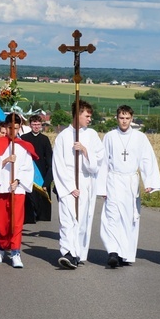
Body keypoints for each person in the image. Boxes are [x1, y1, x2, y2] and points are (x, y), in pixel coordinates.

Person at [97, 105, 160, 268]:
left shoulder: (140, 137)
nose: (124, 121)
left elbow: (147, 159)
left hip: (131, 183)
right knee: (111, 217)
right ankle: (113, 252)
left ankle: (124, 254)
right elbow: (104, 162)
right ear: (116, 118)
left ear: (132, 119)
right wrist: (102, 187)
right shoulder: (110, 136)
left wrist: (150, 182)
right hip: (113, 180)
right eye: (121, 117)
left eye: (127, 118)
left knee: (129, 219)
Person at [52, 100, 105, 269]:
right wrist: (69, 187)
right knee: (67, 219)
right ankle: (67, 252)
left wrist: (84, 150)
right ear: (77, 114)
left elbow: (97, 162)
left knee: (81, 220)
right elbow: (58, 164)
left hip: (85, 181)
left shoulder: (92, 135)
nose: (90, 119)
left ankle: (77, 253)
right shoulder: (63, 137)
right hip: (67, 183)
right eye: (87, 116)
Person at [0, 114, 36, 268]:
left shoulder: (24, 146)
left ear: (19, 127)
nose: (13, 131)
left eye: (16, 128)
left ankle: (15, 251)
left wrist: (18, 180)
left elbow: (28, 168)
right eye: (10, 128)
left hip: (17, 190)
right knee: (0, 222)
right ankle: (1, 247)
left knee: (15, 222)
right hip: (0, 188)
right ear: (5, 127)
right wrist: (6, 160)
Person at [23, 114, 54, 223]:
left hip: (41, 170)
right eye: (34, 124)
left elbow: (49, 158)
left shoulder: (44, 139)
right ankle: (29, 216)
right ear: (30, 125)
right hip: (28, 169)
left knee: (41, 196)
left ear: (41, 125)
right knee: (29, 195)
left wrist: (47, 179)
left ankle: (41, 215)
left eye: (38, 124)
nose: (36, 126)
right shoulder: (24, 138)